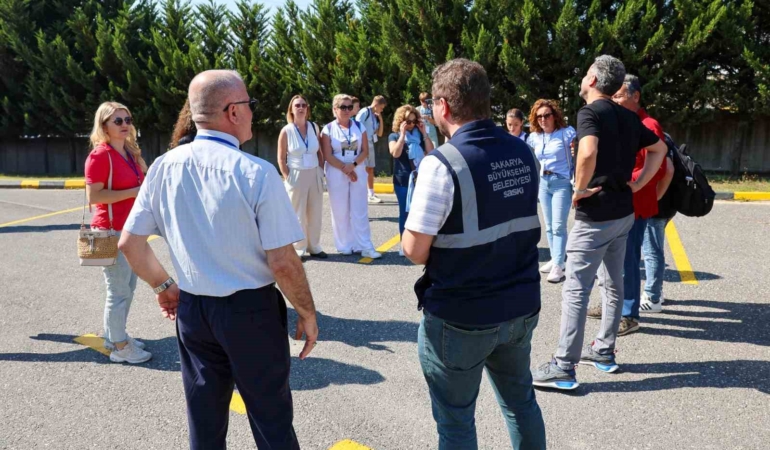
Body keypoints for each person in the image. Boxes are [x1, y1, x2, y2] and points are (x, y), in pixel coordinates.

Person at [118, 70, 319, 450]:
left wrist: (164, 286)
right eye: (250, 105)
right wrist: (306, 312)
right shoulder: (256, 173)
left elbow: (130, 243)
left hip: (194, 310)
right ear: (232, 111)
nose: (253, 113)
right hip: (251, 311)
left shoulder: (163, 165)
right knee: (270, 419)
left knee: (205, 423)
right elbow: (282, 261)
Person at [402, 58, 545, 450]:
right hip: (519, 306)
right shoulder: (524, 152)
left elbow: (414, 251)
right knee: (521, 404)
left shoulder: (441, 164)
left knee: (456, 423)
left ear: (443, 107)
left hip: (461, 317)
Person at [531, 55, 667, 390]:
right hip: (623, 213)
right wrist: (637, 184)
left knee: (576, 289)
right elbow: (660, 149)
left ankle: (564, 366)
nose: (583, 76)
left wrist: (578, 188)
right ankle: (604, 351)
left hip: (597, 216)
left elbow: (588, 152)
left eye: (586, 72)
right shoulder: (627, 114)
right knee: (613, 284)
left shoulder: (590, 112)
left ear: (592, 79)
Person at [587, 75, 669, 333]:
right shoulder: (622, 122)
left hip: (634, 203)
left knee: (627, 261)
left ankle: (629, 314)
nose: (615, 100)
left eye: (620, 95)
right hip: (617, 202)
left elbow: (658, 167)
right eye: (613, 96)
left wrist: (622, 181)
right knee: (609, 259)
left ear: (636, 96)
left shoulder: (648, 124)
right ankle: (612, 303)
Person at [85, 101, 151, 364]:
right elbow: (95, 195)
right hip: (107, 232)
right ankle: (120, 347)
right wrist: (133, 192)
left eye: (128, 119)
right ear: (104, 126)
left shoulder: (130, 153)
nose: (125, 124)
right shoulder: (100, 155)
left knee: (129, 287)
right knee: (118, 290)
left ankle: (116, 336)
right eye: (118, 121)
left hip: (129, 231)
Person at [322, 94, 382, 259]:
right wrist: (345, 168)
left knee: (359, 209)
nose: (347, 110)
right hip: (336, 171)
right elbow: (327, 154)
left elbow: (365, 151)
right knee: (340, 210)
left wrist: (353, 166)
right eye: (343, 107)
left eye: (349, 107)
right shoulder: (327, 129)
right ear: (335, 109)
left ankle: (364, 245)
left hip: (357, 168)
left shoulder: (359, 126)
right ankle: (344, 245)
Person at [526, 99, 576, 283]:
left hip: (561, 182)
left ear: (554, 116)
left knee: (558, 226)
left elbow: (578, 151)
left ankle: (559, 265)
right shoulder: (534, 137)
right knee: (548, 225)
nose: (543, 119)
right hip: (543, 183)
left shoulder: (566, 133)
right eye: (539, 116)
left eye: (547, 115)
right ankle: (556, 259)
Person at [277, 94, 327, 259]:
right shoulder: (287, 130)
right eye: (297, 105)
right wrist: (287, 176)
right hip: (296, 174)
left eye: (303, 105)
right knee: (297, 213)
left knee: (315, 212)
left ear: (307, 108)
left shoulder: (314, 127)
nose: (300, 108)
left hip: (313, 173)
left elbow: (320, 152)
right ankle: (299, 249)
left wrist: (320, 169)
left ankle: (315, 246)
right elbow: (281, 157)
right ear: (291, 109)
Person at [388, 105, 434, 256]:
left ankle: (420, 245)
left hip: (420, 179)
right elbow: (395, 153)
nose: (411, 124)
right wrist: (402, 135)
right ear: (401, 121)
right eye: (408, 121)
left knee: (421, 213)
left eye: (414, 121)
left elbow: (431, 151)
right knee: (405, 213)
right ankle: (404, 245)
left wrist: (423, 133)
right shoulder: (394, 136)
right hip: (402, 180)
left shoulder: (419, 136)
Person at [356, 95, 387, 204]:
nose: (382, 110)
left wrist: (380, 119)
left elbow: (380, 133)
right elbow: (356, 125)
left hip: (370, 143)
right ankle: (360, 193)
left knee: (370, 168)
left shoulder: (375, 116)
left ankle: (371, 194)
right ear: (376, 104)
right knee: (361, 168)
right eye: (381, 107)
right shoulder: (365, 112)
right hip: (362, 143)